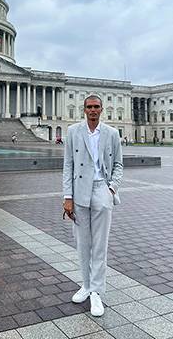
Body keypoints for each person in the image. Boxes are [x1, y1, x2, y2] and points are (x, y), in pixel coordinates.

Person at [62, 95, 123, 317]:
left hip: (101, 190)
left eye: (96, 107)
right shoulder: (73, 132)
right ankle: (86, 285)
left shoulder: (112, 133)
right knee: (82, 243)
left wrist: (111, 189)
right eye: (89, 107)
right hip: (79, 191)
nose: (93, 110)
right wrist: (67, 196)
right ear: (84, 109)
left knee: (99, 245)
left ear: (102, 109)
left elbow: (118, 164)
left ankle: (96, 292)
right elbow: (68, 165)